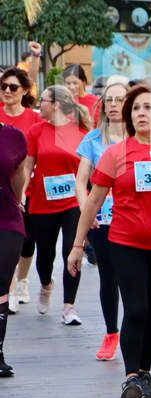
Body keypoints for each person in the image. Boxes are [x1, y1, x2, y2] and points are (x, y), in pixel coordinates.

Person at [67, 84, 151, 398]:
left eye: (148, 108)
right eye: (135, 109)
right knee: (135, 307)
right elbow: (93, 201)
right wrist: (78, 245)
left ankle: (145, 371)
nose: (140, 114)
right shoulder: (116, 153)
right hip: (125, 241)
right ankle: (131, 375)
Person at [22, 85, 91, 324]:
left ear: (56, 104)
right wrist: (22, 192)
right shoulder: (36, 131)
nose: (39, 104)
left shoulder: (80, 132)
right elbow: (28, 165)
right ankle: (45, 285)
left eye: (42, 100)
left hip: (73, 201)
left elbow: (89, 169)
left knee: (71, 251)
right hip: (42, 202)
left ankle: (69, 306)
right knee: (45, 256)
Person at [73, 80, 128, 360]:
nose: (115, 105)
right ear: (103, 106)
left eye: (120, 100)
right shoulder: (93, 140)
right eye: (110, 100)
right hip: (102, 220)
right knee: (109, 277)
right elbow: (81, 181)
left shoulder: (141, 138)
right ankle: (111, 333)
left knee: (133, 277)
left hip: (133, 220)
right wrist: (87, 212)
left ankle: (134, 330)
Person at [1, 67, 41, 313]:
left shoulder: (33, 119)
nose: (7, 91)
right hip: (6, 191)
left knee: (28, 242)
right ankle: (11, 286)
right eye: (3, 86)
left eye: (13, 87)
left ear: (24, 91)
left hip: (31, 187)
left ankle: (23, 280)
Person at [0, 122, 28, 376]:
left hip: (6, 219)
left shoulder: (13, 137)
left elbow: (19, 175)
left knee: (0, 284)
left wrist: (18, 201)